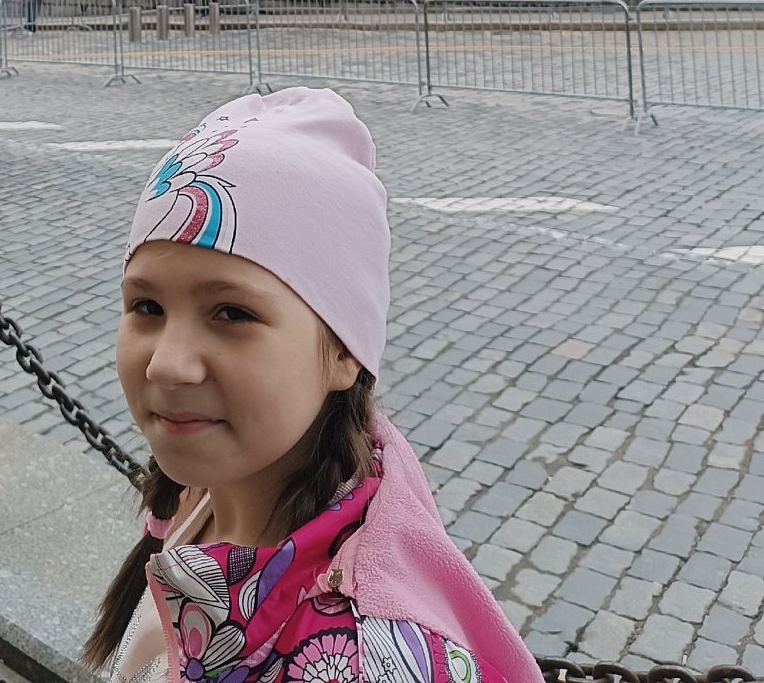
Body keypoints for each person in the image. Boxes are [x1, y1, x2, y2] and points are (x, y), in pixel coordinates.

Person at [88, 88, 539, 683]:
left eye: (232, 313)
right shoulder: (209, 487)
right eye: (147, 306)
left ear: (345, 351)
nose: (167, 366)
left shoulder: (360, 661)